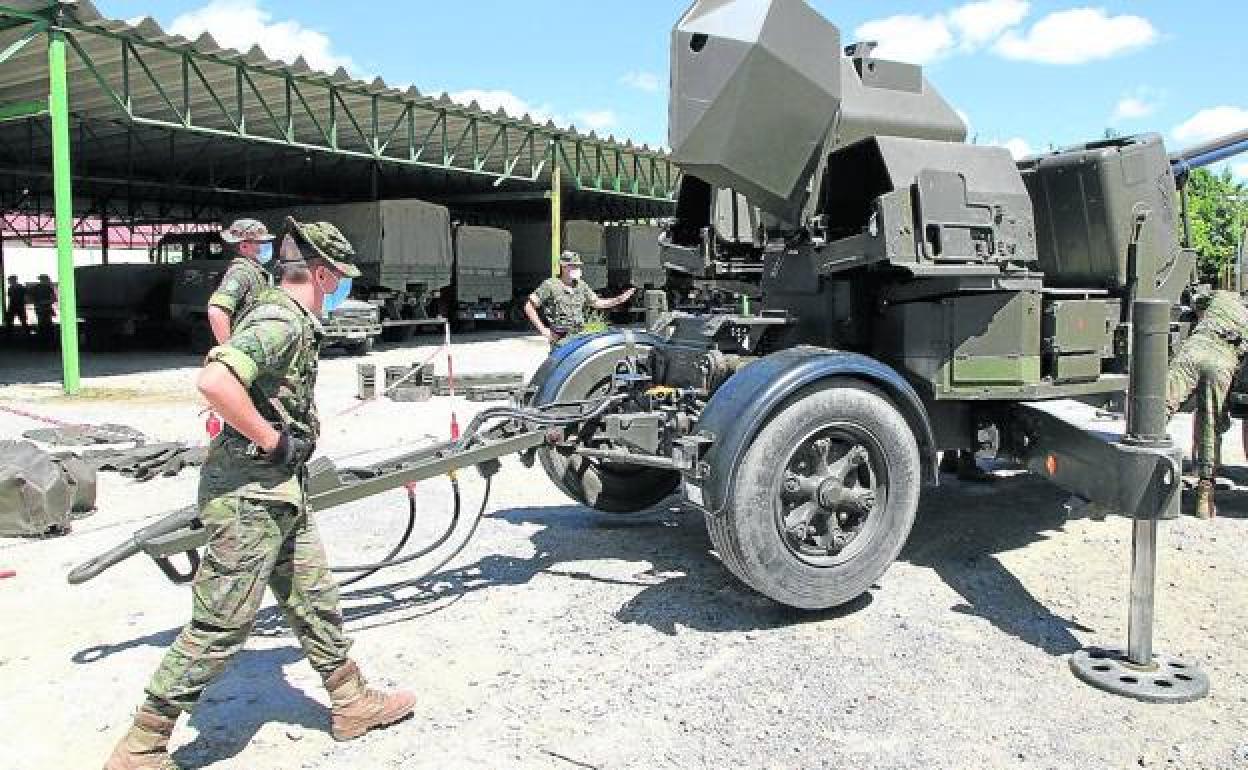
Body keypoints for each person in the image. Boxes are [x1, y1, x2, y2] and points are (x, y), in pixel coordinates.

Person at [103, 218, 414, 770]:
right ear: (321, 274)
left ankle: (352, 702)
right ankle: (142, 748)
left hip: (279, 493)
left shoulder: (287, 315)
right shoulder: (279, 319)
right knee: (221, 624)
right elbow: (215, 380)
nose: (342, 289)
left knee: (314, 598)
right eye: (339, 279)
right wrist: (271, 440)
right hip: (249, 496)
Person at [1166, 288, 1248, 518]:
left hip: (1193, 352)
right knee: (1210, 423)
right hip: (1224, 362)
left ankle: (1132, 466)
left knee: (1159, 407)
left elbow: (1195, 299)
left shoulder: (1222, 296)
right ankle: (1205, 496)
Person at [524, 250, 636, 347]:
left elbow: (597, 303)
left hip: (579, 336)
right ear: (563, 266)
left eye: (577, 266)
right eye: (573, 265)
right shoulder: (550, 285)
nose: (576, 268)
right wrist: (543, 330)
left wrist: (618, 300)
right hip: (560, 338)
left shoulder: (581, 285)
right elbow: (529, 307)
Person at [207, 218, 276, 344]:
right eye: (261, 242)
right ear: (244, 246)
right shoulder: (241, 272)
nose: (267, 245)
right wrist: (229, 350)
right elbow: (216, 311)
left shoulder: (255, 271)